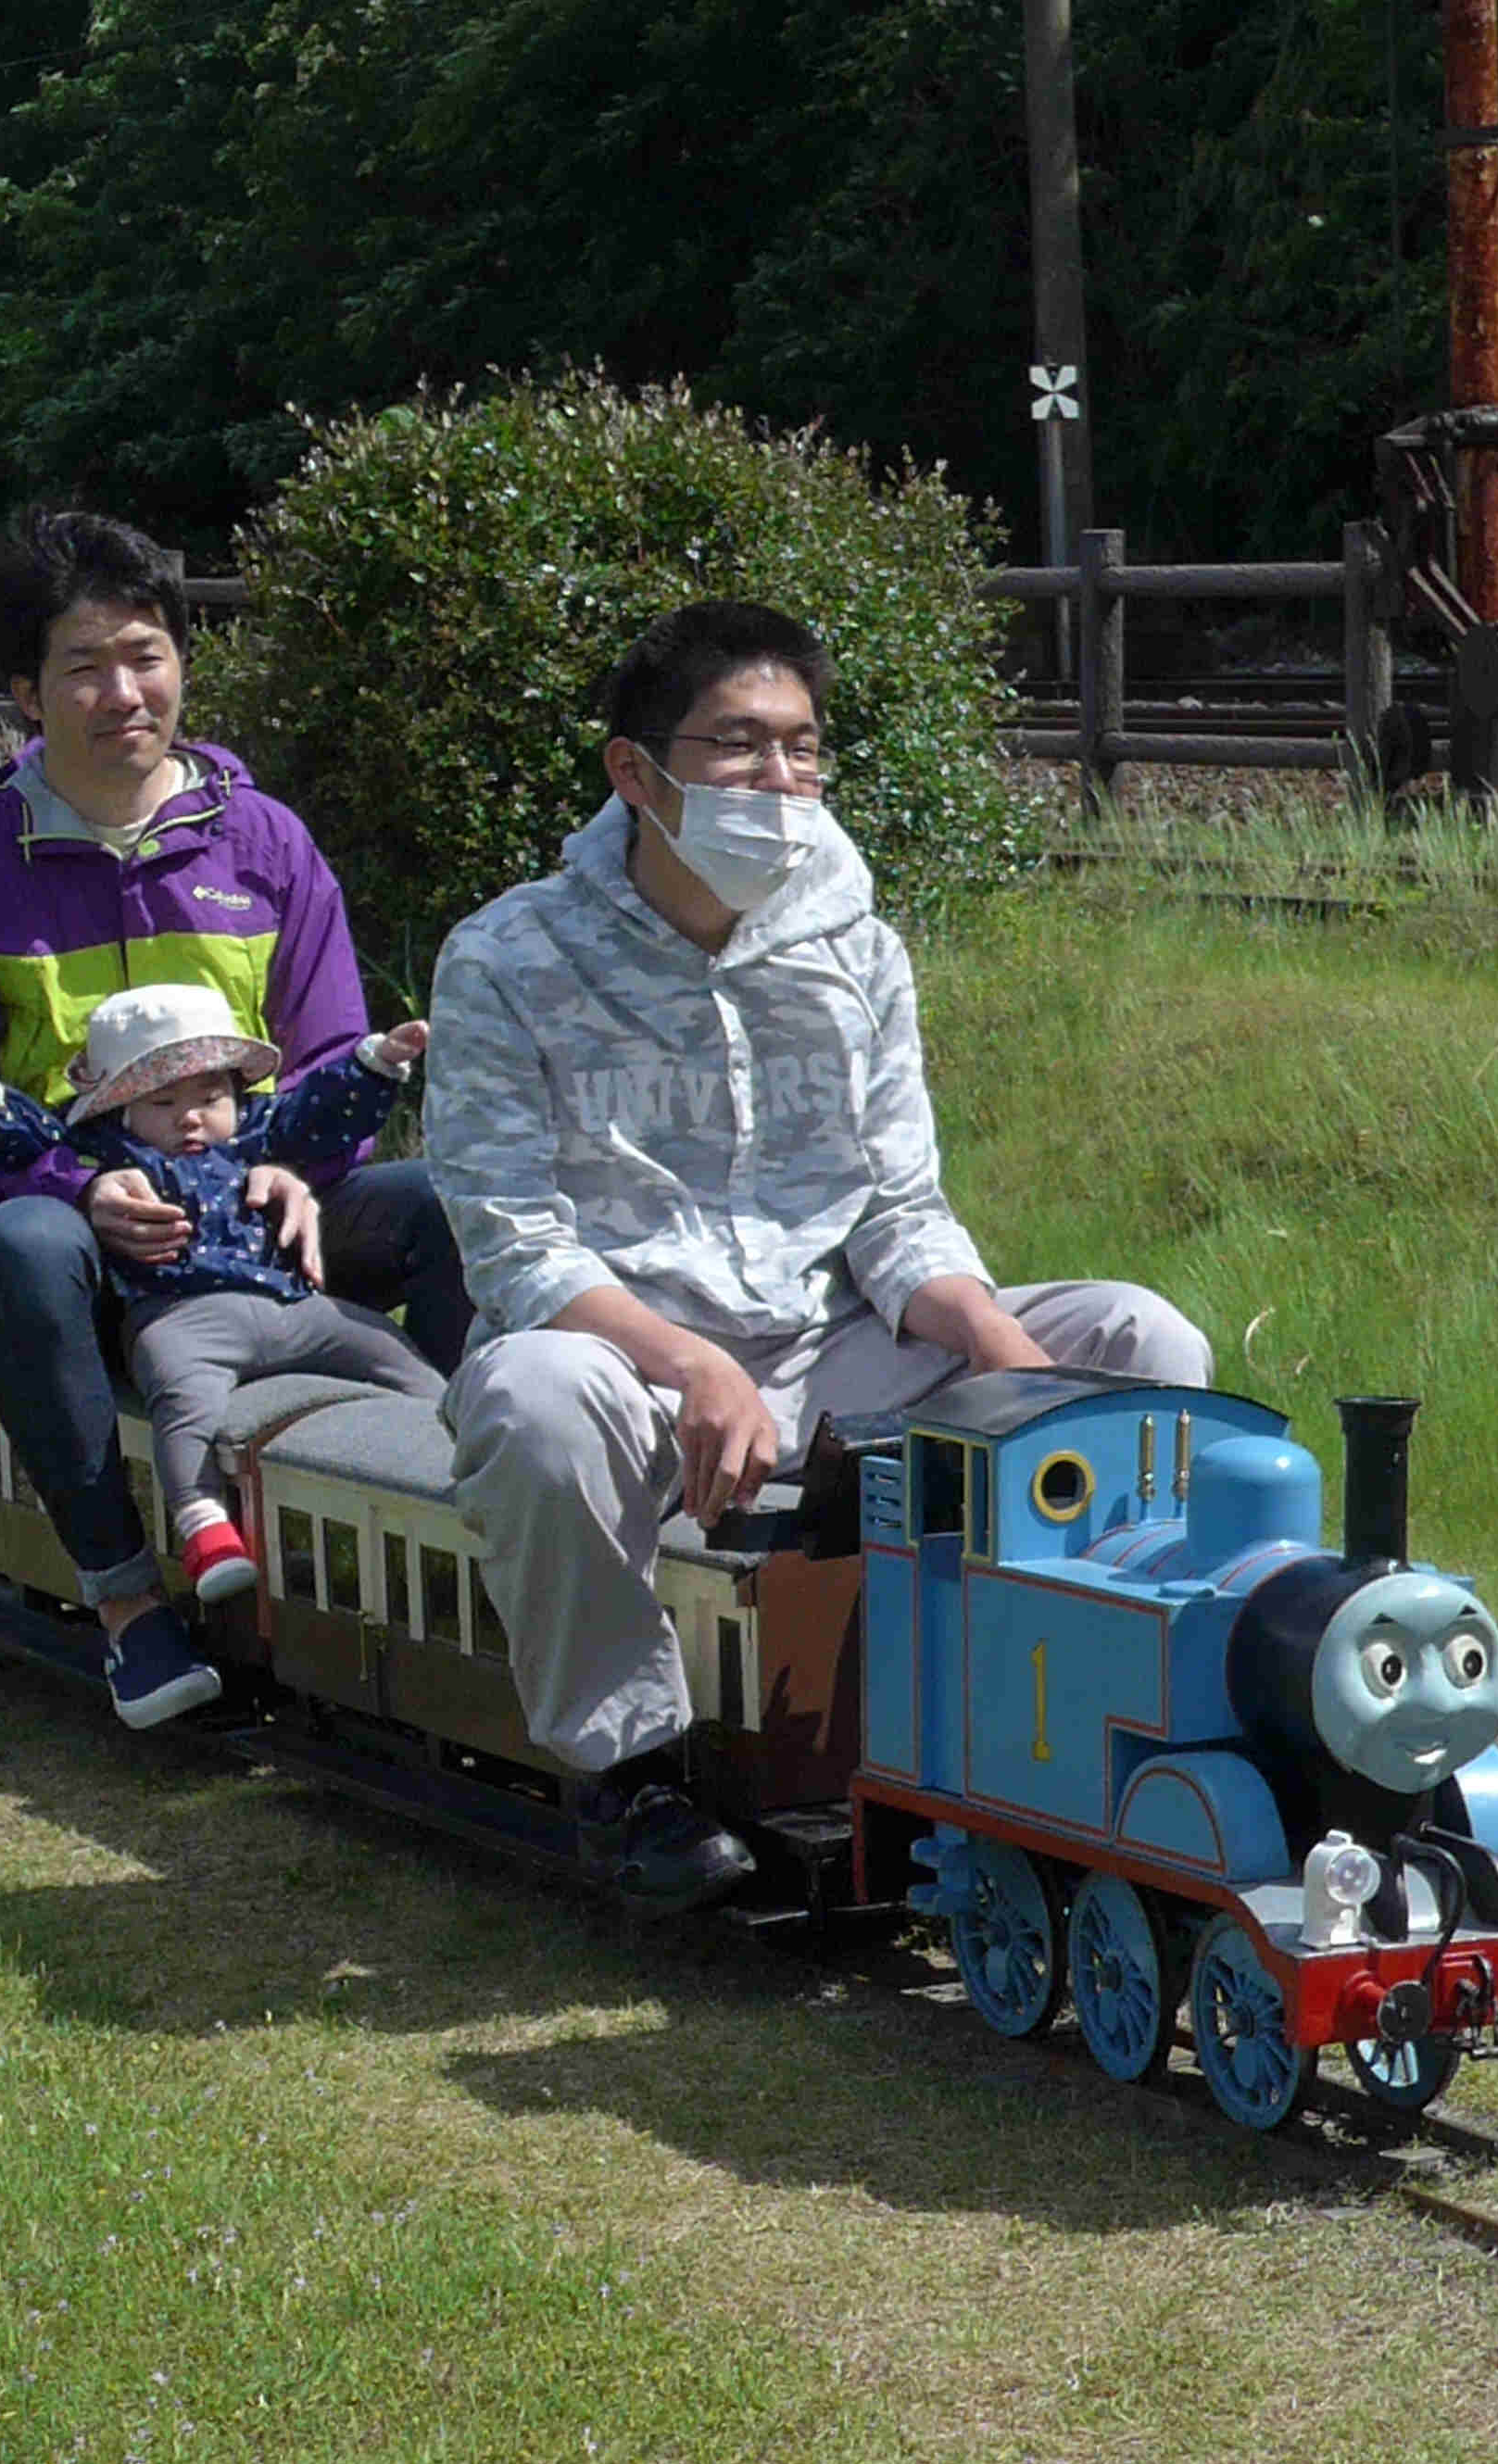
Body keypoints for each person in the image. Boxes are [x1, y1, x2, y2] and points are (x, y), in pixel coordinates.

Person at [426, 598, 1215, 1906]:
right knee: (528, 1396)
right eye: (738, 747)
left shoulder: (856, 948)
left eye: (801, 747)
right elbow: (513, 1246)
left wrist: (1005, 1353)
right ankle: (633, 1779)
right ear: (637, 772)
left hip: (839, 1353)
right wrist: (690, 1365)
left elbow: (898, 1208)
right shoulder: (508, 958)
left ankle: (1103, 1711)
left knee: (1139, 1337)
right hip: (629, 1371)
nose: (780, 781)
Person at [0, 509, 468, 1727]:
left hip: (259, 1209)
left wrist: (298, 1169)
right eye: (81, 667)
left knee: (454, 1197)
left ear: (184, 662)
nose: (121, 692)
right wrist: (79, 1190)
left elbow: (331, 1057)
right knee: (28, 1253)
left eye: (144, 654)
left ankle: (468, 1520)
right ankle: (130, 1608)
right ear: (29, 695)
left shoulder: (267, 844)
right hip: (88, 1244)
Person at [0, 987, 446, 1722]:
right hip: (179, 1317)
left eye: (209, 1094)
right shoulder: (110, 1157)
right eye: (163, 1103)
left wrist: (376, 1061)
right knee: (184, 1401)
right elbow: (30, 1139)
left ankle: (455, 1453)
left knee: (397, 1356)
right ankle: (201, 1521)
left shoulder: (259, 1135)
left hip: (295, 1306)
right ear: (120, 1114)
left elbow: (320, 1110)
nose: (191, 1117)